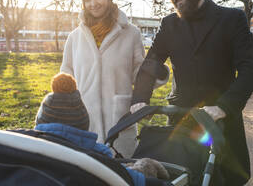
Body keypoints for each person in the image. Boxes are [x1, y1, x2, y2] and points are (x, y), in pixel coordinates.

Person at [130, 0, 253, 185]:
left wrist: (224, 107)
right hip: (182, 118)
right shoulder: (169, 24)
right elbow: (151, 63)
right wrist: (140, 99)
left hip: (220, 119)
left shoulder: (231, 19)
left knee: (224, 178)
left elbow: (249, 69)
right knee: (182, 176)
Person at [60, 0, 164, 158]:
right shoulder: (74, 38)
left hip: (120, 122)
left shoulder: (131, 34)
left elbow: (138, 73)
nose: (93, 3)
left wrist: (157, 73)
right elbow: (66, 76)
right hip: (85, 123)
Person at [35, 73, 168, 186]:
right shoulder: (96, 159)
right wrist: (146, 167)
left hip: (117, 116)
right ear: (83, 122)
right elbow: (130, 179)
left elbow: (141, 73)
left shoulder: (26, 150)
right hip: (98, 153)